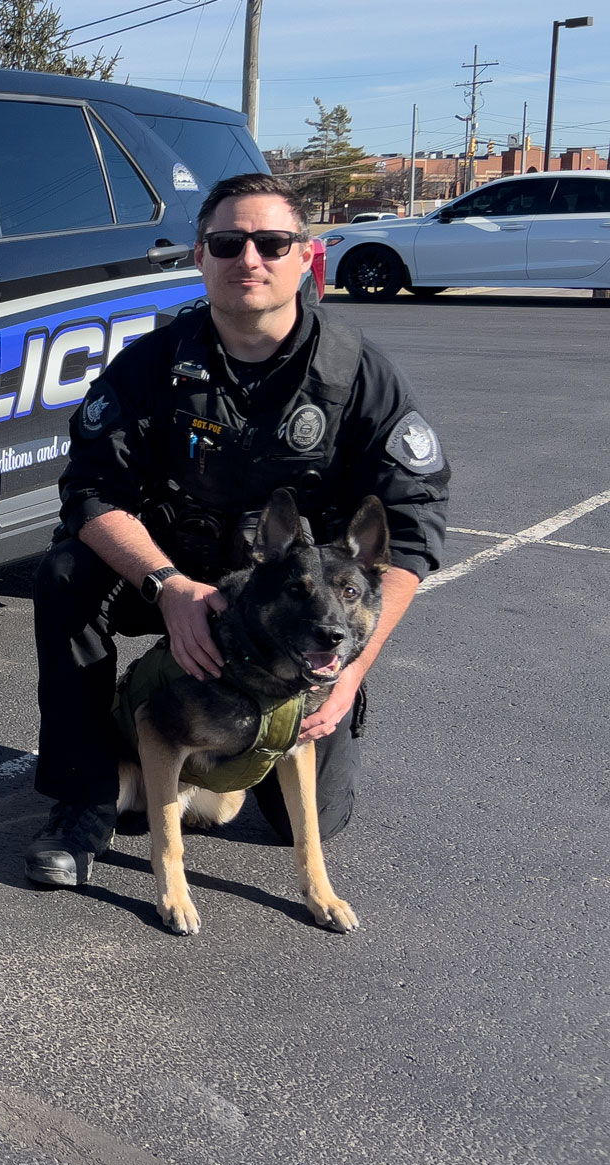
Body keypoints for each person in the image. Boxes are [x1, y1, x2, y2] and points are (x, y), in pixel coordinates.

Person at [24, 172, 450, 886]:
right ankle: (85, 797)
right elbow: (92, 494)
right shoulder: (150, 367)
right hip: (181, 577)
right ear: (200, 256)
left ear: (304, 256)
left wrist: (352, 669)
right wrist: (167, 587)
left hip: (299, 609)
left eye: (271, 242)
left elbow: (411, 528)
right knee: (67, 574)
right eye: (227, 242)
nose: (248, 258)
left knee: (308, 825)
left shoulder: (359, 376)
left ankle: (249, 736)